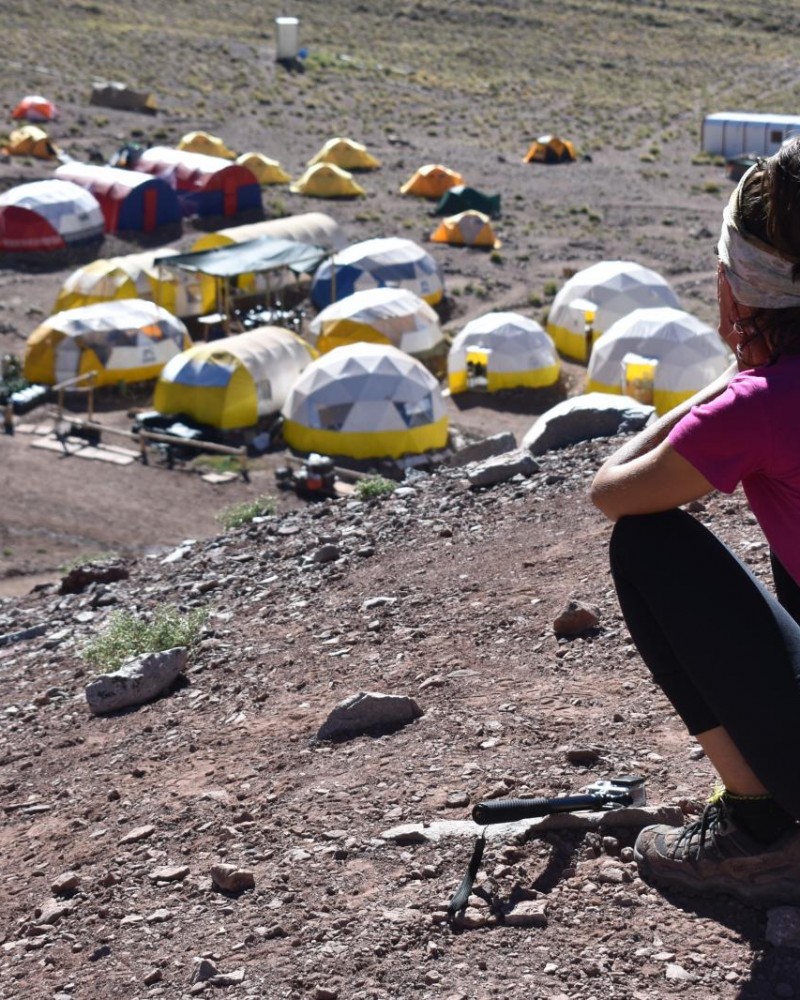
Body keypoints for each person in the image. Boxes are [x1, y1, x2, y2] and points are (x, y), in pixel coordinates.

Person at [590, 137, 800, 908]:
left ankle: (762, 828)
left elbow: (613, 491)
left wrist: (728, 384)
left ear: (736, 283)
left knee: (649, 545)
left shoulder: (763, 405)